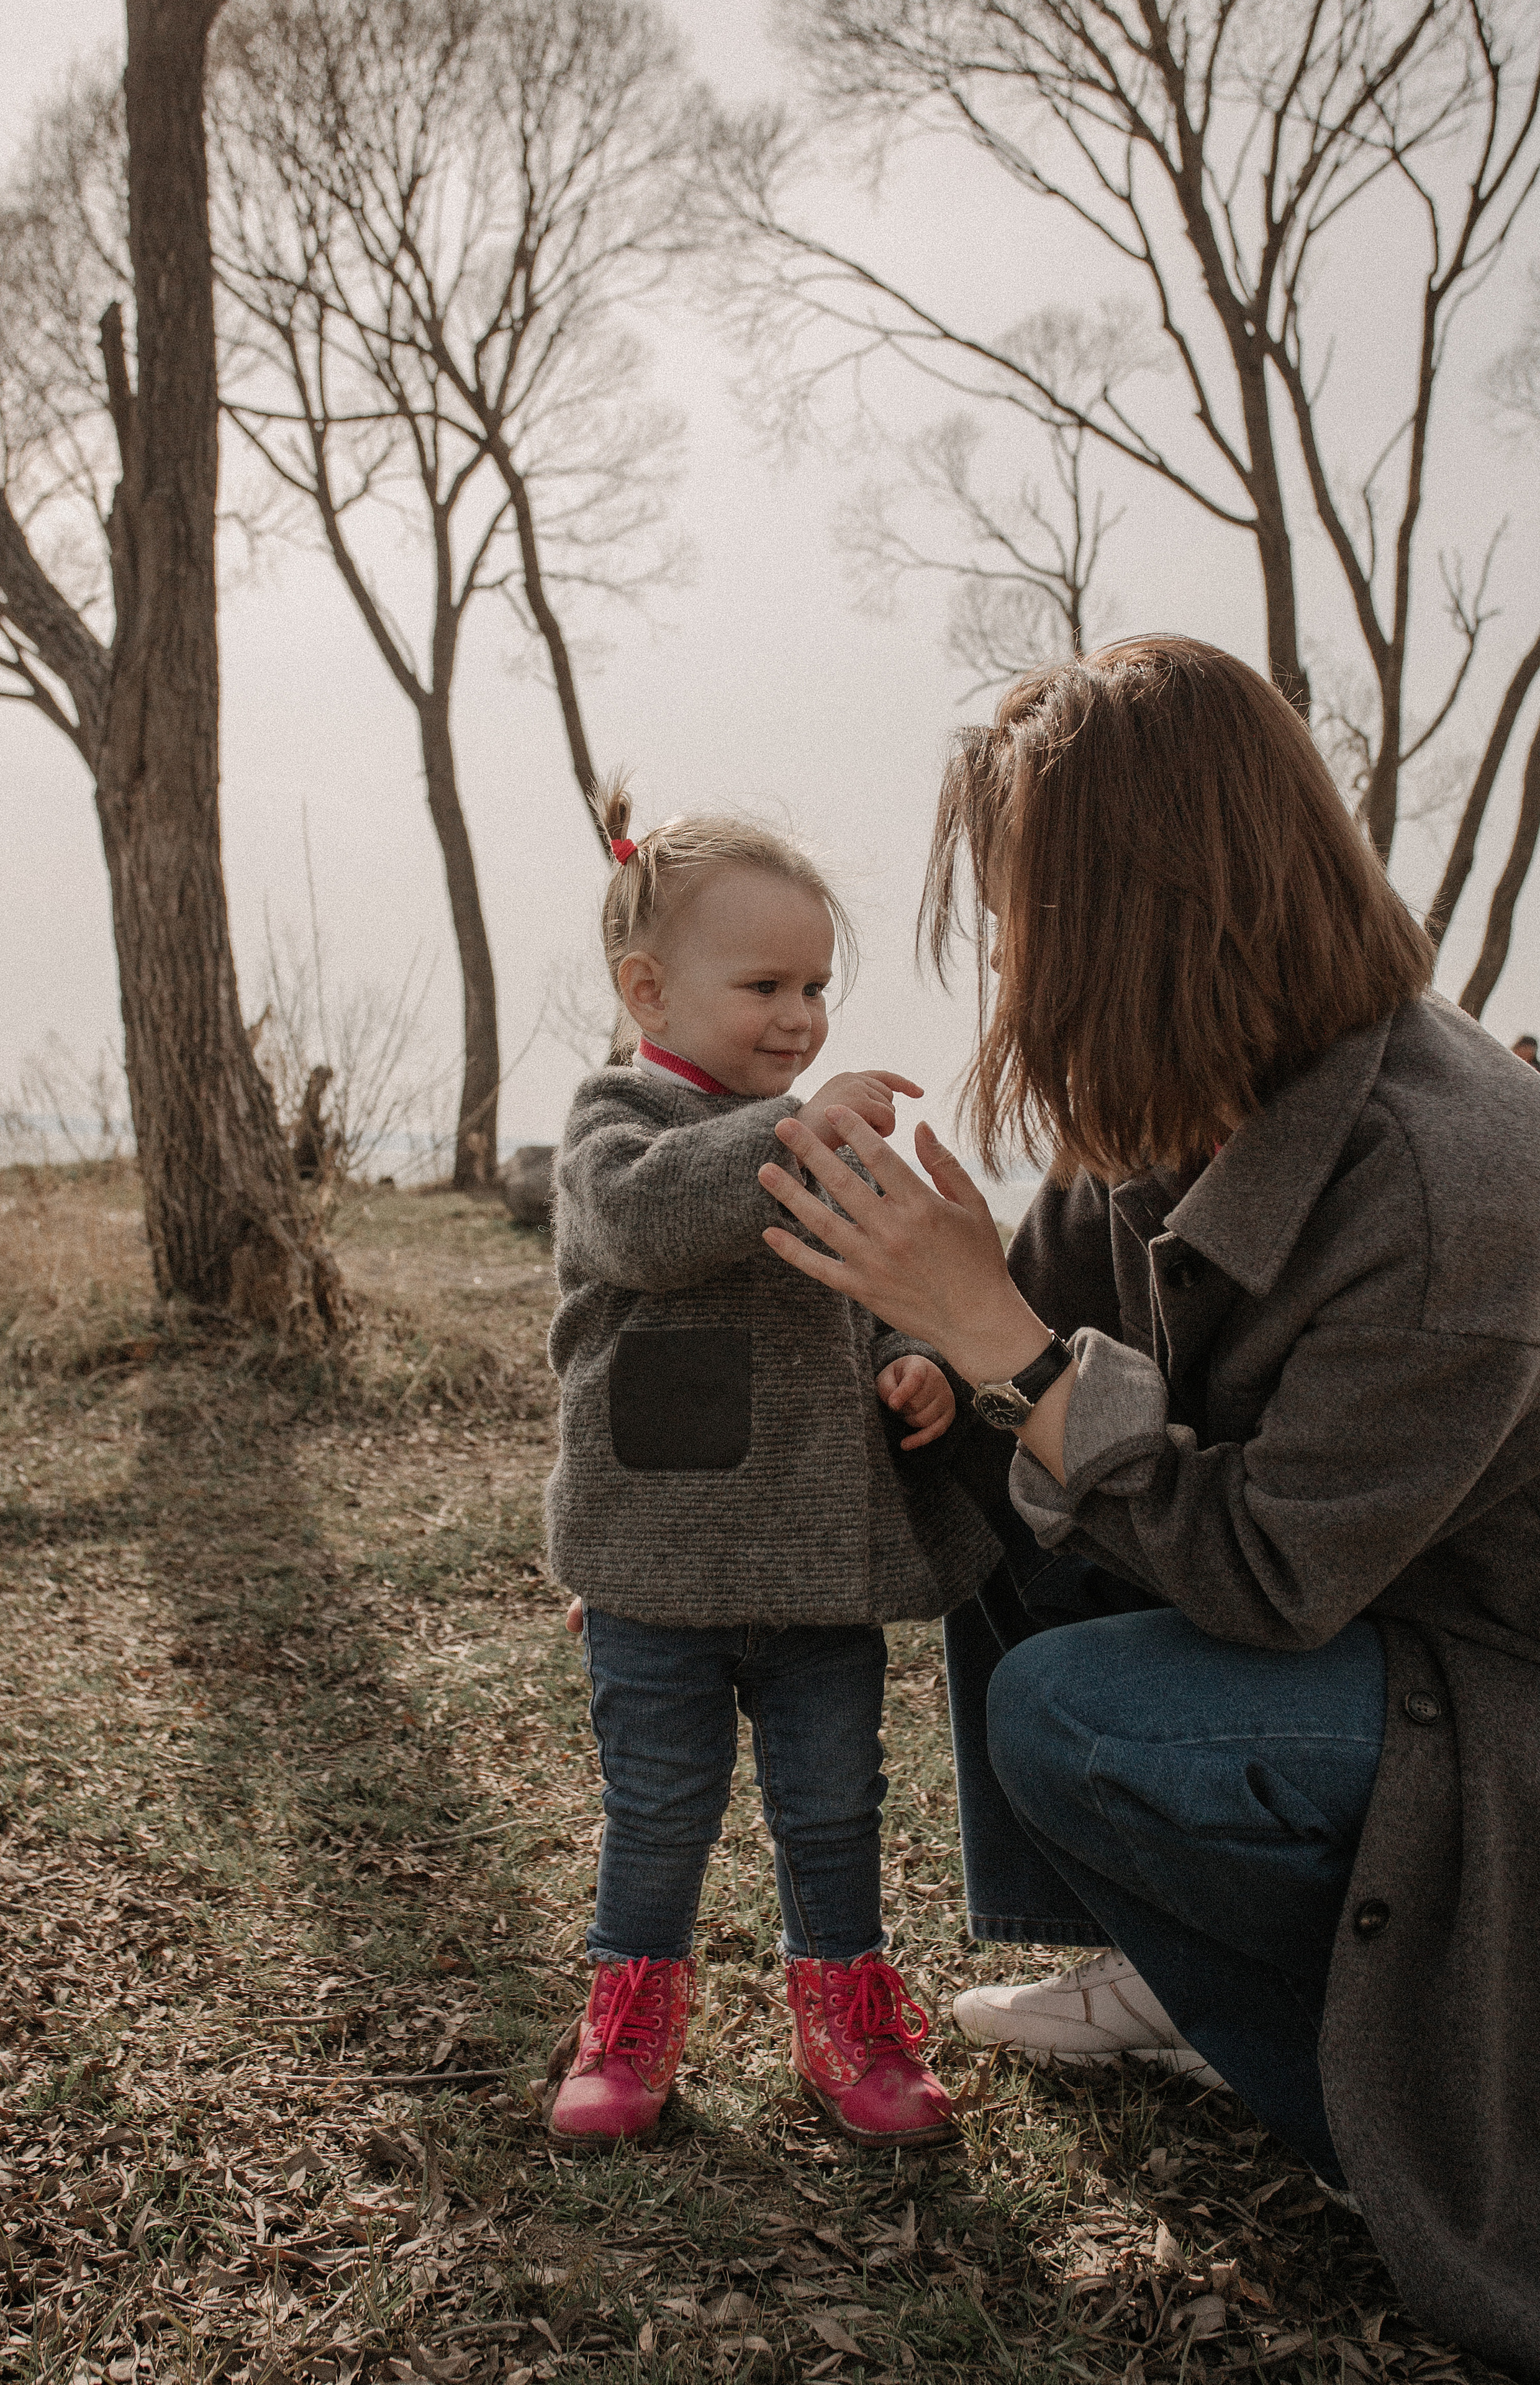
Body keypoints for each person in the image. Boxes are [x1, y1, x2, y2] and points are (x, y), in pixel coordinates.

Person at [755, 637, 1540, 2378]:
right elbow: (1007, 1384)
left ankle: (1357, 2088)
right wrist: (910, 1377)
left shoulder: (1456, 1175)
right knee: (987, 1463)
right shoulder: (1184, 1097)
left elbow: (1269, 1574)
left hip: (1490, 1695)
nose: (1004, 961)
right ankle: (1155, 1965)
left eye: (1021, 916)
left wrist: (999, 1344)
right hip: (1362, 1623)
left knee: (1080, 1711)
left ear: (1142, 916)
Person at [542, 783, 1000, 2153]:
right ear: (649, 989)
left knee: (832, 1806)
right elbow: (645, 1225)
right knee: (658, 1808)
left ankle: (848, 2016)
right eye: (763, 986)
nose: (799, 1017)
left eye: (813, 985)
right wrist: (796, 1130)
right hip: (654, 1571)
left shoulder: (813, 1139)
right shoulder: (614, 1121)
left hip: (818, 1565)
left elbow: (872, 1293)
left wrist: (910, 1358)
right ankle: (629, 2018)